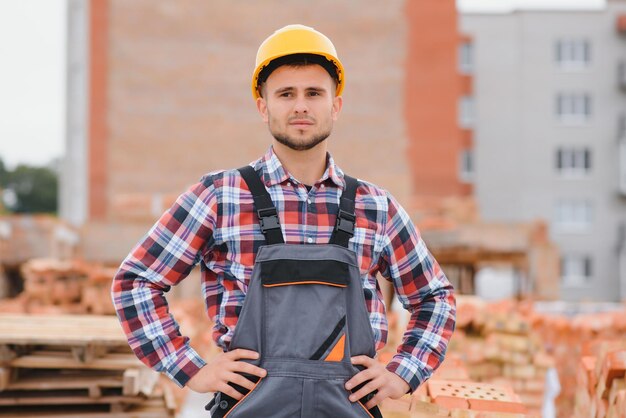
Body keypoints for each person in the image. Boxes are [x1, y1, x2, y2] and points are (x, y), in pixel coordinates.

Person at [112, 24, 456, 417]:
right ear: (264, 107)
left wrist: (401, 374)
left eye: (314, 93)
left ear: (336, 106)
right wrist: (192, 370)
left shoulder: (375, 207)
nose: (301, 106)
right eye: (285, 94)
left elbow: (435, 298)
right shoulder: (220, 196)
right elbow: (135, 282)